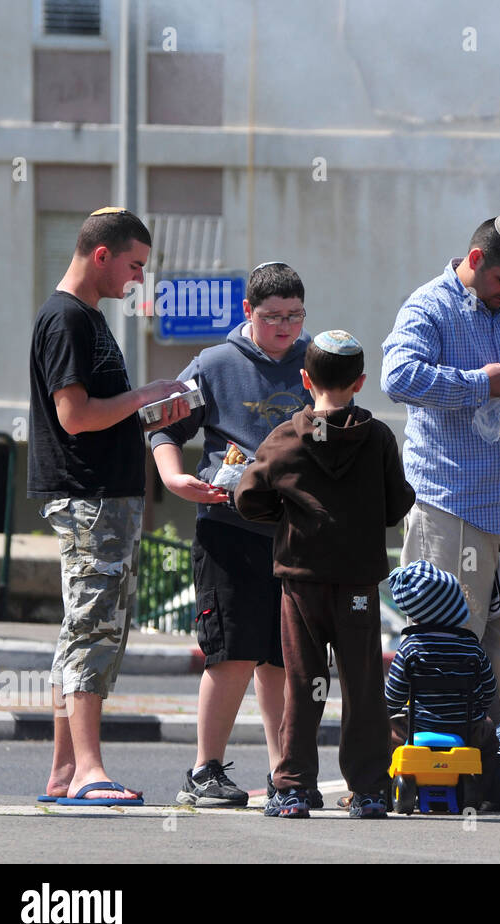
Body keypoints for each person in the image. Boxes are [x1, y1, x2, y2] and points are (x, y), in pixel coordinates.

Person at [28, 207, 190, 805]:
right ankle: (89, 771)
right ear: (103, 255)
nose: (140, 279)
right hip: (88, 499)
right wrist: (145, 393)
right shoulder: (67, 318)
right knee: (91, 631)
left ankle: (66, 773)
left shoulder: (86, 317)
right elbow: (73, 417)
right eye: (136, 265)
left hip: (103, 498)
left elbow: (99, 412)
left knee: (89, 631)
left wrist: (147, 409)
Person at [381, 215, 500, 723]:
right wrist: (478, 384)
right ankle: (446, 766)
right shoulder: (429, 306)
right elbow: (398, 377)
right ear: (475, 260)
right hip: (454, 505)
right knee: (445, 643)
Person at [150, 262, 313, 807]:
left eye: (294, 316)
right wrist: (175, 478)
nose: (285, 328)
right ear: (248, 313)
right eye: (273, 318)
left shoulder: (314, 361)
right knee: (231, 652)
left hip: (294, 534)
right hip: (228, 529)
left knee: (283, 659)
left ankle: (282, 774)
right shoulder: (215, 364)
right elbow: (166, 427)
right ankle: (204, 772)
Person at [235, 330, 415, 819]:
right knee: (362, 683)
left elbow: (247, 497)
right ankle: (371, 789)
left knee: (303, 682)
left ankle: (293, 786)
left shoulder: (286, 437)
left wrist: (290, 517)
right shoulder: (376, 437)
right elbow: (398, 503)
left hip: (302, 580)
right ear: (359, 382)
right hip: (357, 582)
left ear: (304, 378)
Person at [384, 560, 498, 768]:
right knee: (490, 733)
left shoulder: (410, 649)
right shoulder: (472, 648)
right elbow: (488, 692)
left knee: (385, 733)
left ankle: (382, 788)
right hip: (466, 729)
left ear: (416, 615)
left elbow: (393, 698)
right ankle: (486, 790)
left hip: (418, 728)